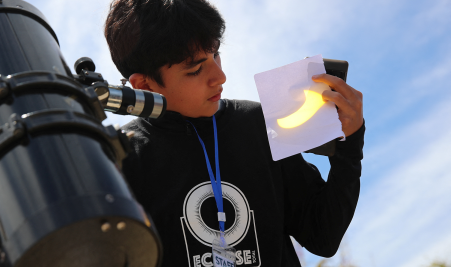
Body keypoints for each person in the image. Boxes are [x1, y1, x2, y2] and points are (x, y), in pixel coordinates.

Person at [104, 0, 365, 266]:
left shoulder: (259, 123)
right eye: (195, 69)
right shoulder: (120, 158)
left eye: (215, 54)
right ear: (144, 85)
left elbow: (323, 235)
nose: (220, 76)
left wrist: (350, 146)